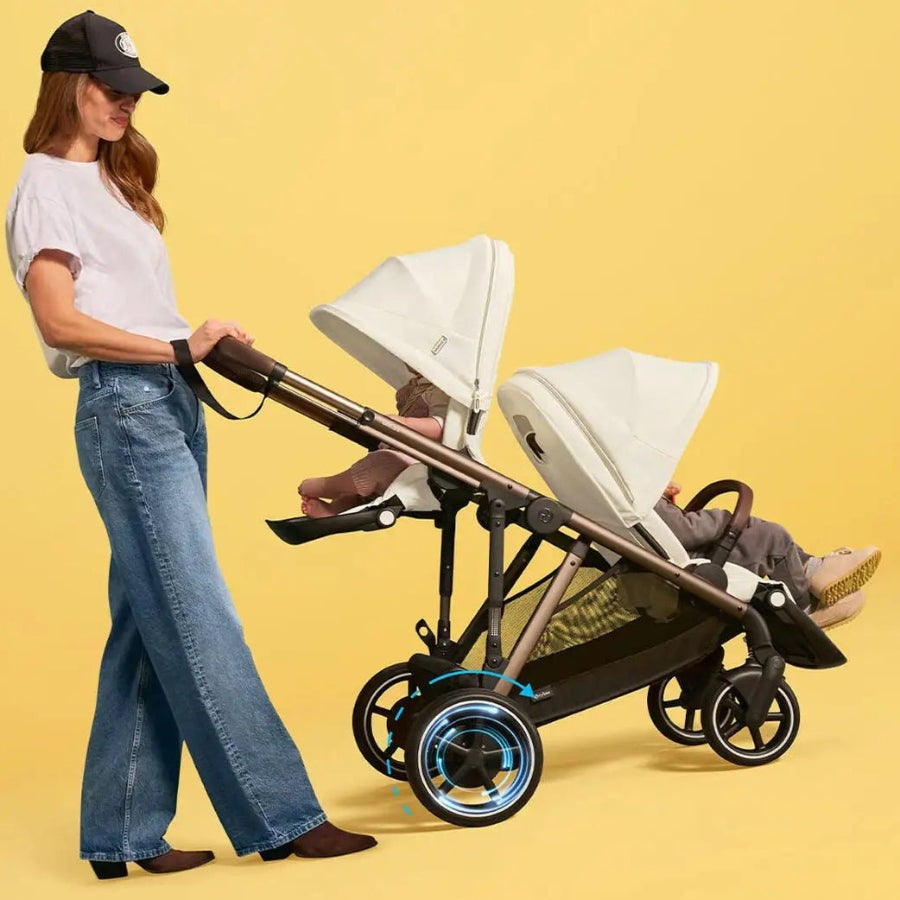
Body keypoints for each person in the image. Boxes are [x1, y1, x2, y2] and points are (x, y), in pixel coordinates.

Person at [5, 10, 375, 880]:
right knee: (198, 612)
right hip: (127, 409)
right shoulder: (42, 186)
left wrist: (191, 352)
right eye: (111, 87)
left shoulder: (110, 181)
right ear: (68, 85)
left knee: (149, 618)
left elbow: (133, 305)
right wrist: (178, 347)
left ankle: (121, 834)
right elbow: (59, 321)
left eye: (135, 90)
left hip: (167, 404)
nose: (127, 103)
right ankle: (282, 815)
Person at [655, 482, 881, 630]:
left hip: (672, 561)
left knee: (756, 537)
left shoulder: (626, 503)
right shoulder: (634, 495)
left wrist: (659, 494)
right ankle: (803, 605)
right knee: (771, 537)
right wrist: (726, 520)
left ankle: (812, 570)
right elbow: (685, 530)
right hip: (683, 570)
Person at [299, 368, 449, 517]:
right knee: (358, 495)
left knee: (382, 464)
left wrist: (404, 422)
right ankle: (332, 511)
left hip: (420, 463)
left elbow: (440, 428)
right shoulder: (421, 383)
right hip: (397, 450)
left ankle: (327, 486)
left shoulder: (443, 391)